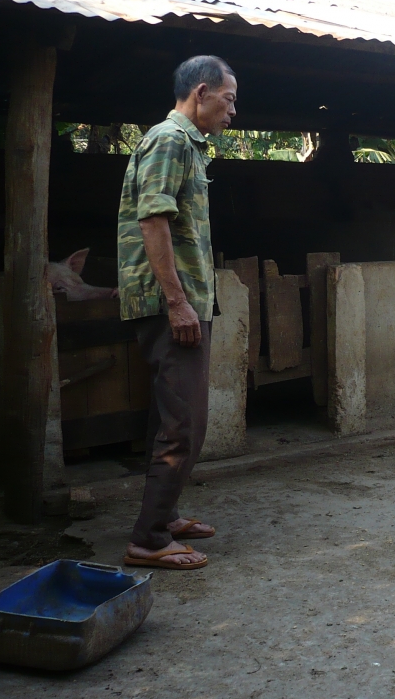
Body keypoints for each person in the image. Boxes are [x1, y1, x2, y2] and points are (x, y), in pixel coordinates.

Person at [117, 55, 237, 570]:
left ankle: (162, 518)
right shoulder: (169, 140)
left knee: (172, 418)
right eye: (229, 99)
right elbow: (153, 221)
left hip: (180, 302)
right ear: (201, 92)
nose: (233, 110)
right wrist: (177, 302)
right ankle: (148, 540)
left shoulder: (186, 145)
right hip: (170, 305)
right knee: (185, 424)